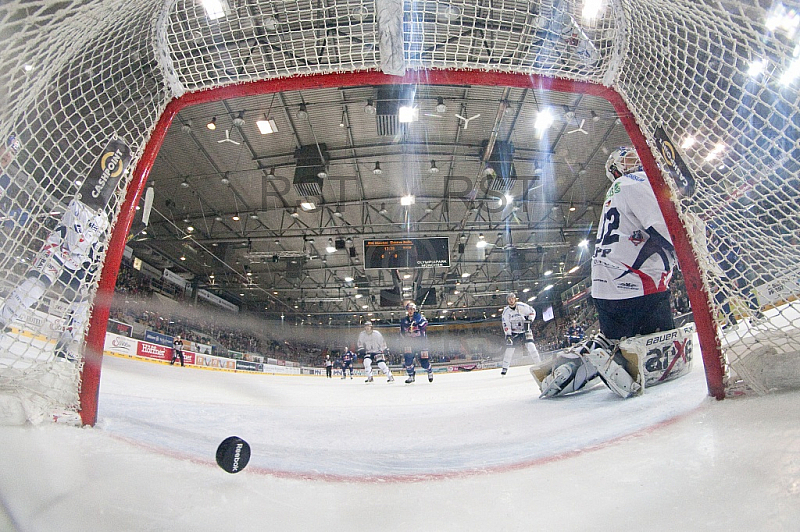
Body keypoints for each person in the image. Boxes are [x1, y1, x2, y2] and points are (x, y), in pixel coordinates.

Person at [539, 146, 678, 399]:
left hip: (605, 290)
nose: (634, 162)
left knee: (616, 340)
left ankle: (582, 362)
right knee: (662, 351)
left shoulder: (614, 192)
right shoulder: (636, 182)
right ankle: (619, 366)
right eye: (627, 160)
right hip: (639, 286)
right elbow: (666, 229)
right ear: (616, 170)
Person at [500, 292, 541, 375]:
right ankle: (504, 368)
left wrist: (529, 320)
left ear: (515, 299)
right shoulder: (506, 312)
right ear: (507, 300)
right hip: (514, 331)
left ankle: (539, 364)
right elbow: (505, 323)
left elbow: (532, 311)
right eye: (509, 299)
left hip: (525, 329)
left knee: (531, 346)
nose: (511, 300)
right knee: (509, 350)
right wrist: (508, 335)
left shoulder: (522, 306)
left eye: (512, 298)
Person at [399, 301, 432, 383]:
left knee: (424, 363)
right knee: (408, 361)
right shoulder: (404, 321)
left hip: (421, 343)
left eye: (412, 309)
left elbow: (424, 325)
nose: (410, 311)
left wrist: (418, 321)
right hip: (409, 343)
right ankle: (411, 376)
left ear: (414, 310)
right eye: (408, 309)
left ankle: (429, 371)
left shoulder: (421, 318)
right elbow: (402, 332)